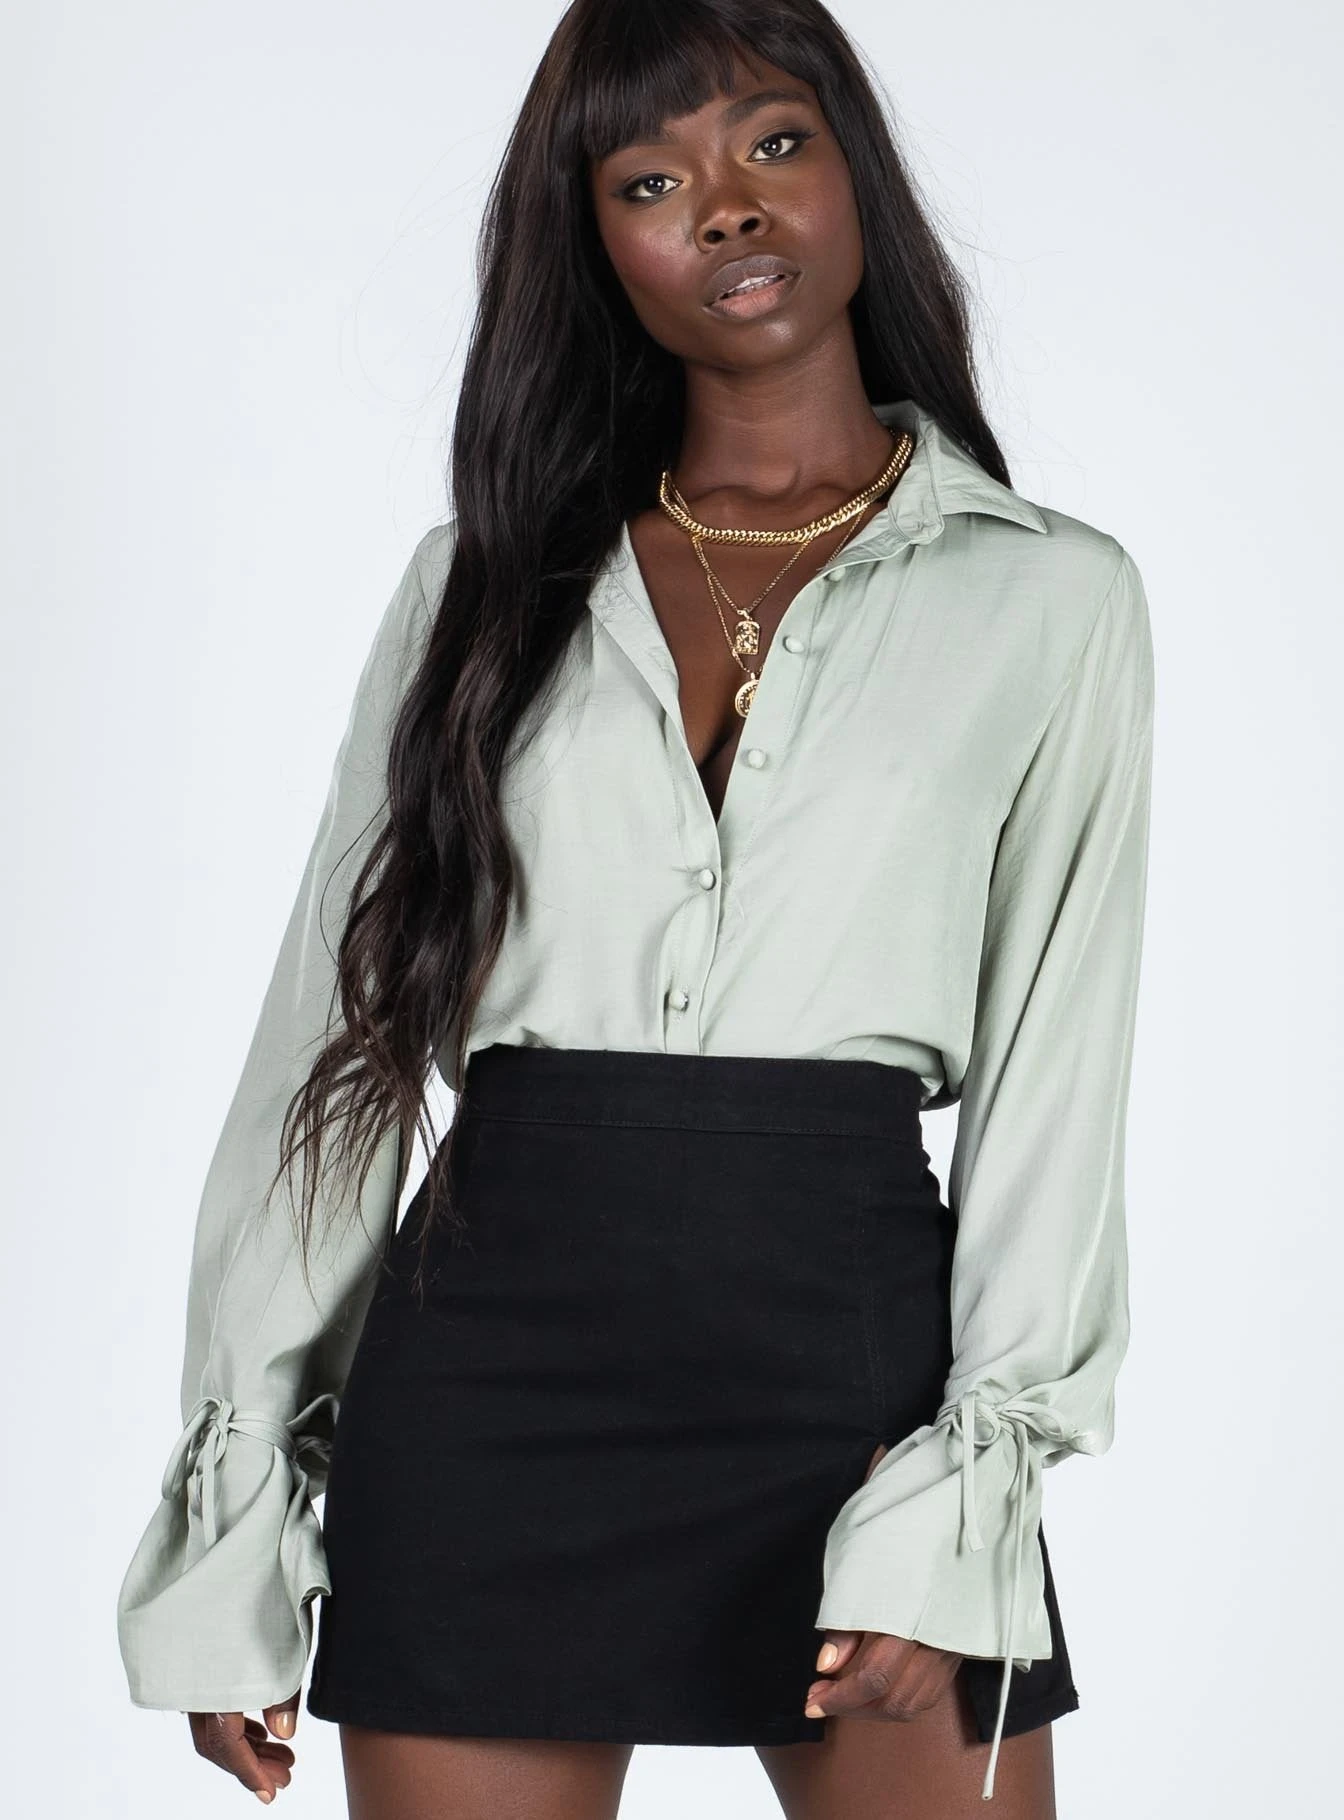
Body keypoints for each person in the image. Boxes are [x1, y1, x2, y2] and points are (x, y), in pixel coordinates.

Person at [115, 3, 1155, 1816]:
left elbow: (1057, 1078)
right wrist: (240, 1495)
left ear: (852, 170)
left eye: (773, 143)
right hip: (490, 1381)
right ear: (594, 242)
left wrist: (968, 1481)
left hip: (854, 1386)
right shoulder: (478, 589)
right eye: (651, 181)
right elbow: (335, 1041)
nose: (728, 208)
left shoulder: (1049, 600)